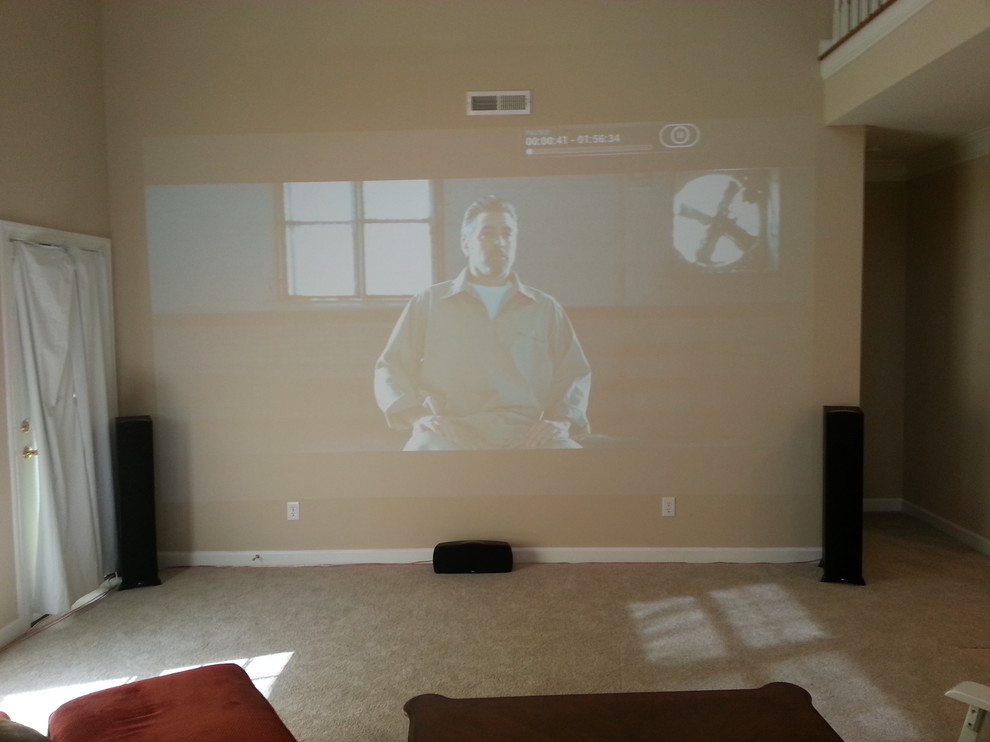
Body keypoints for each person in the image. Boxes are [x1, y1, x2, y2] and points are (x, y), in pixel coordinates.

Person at [374, 195, 591, 450]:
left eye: (507, 234)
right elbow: (391, 367)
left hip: (527, 434)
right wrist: (419, 418)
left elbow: (574, 373)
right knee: (421, 453)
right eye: (487, 234)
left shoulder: (544, 308)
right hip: (450, 432)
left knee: (573, 460)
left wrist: (560, 422)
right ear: (466, 244)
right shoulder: (429, 302)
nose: (499, 242)